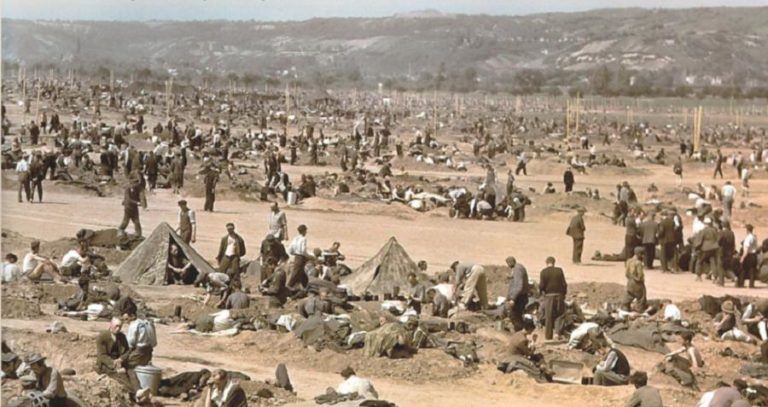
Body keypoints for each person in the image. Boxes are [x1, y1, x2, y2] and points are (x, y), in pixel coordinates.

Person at [124, 314, 158, 394]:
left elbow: (130, 343)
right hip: (149, 352)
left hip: (139, 351)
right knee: (143, 368)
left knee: (129, 367)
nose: (126, 322)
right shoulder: (149, 323)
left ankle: (137, 390)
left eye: (126, 319)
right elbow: (154, 343)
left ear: (132, 316)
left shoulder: (134, 325)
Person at [540, 256, 567, 340]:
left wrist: (541, 293)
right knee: (560, 314)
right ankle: (557, 333)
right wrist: (564, 294)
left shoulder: (543, 272)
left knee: (549, 316)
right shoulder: (559, 270)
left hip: (549, 296)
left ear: (546, 263)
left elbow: (541, 286)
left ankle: (548, 336)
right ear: (554, 263)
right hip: (559, 295)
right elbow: (564, 284)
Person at [505, 256, 529, 329]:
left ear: (510, 263)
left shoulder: (517, 269)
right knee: (517, 315)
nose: (508, 266)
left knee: (515, 315)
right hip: (521, 295)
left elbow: (519, 285)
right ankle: (521, 329)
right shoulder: (519, 267)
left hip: (519, 297)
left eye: (508, 264)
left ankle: (520, 330)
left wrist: (513, 298)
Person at [287, 224, 312, 290]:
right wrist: (308, 256)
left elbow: (290, 248)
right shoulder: (303, 239)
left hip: (296, 256)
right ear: (303, 231)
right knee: (296, 272)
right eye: (305, 231)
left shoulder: (295, 238)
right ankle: (289, 286)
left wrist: (294, 253)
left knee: (301, 272)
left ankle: (305, 285)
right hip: (301, 258)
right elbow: (303, 250)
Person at [739, 224, 758, 288]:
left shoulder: (748, 238)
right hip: (754, 255)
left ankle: (741, 283)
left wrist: (742, 257)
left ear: (747, 230)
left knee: (743, 269)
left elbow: (746, 249)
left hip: (748, 255)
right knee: (752, 270)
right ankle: (751, 284)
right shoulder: (754, 237)